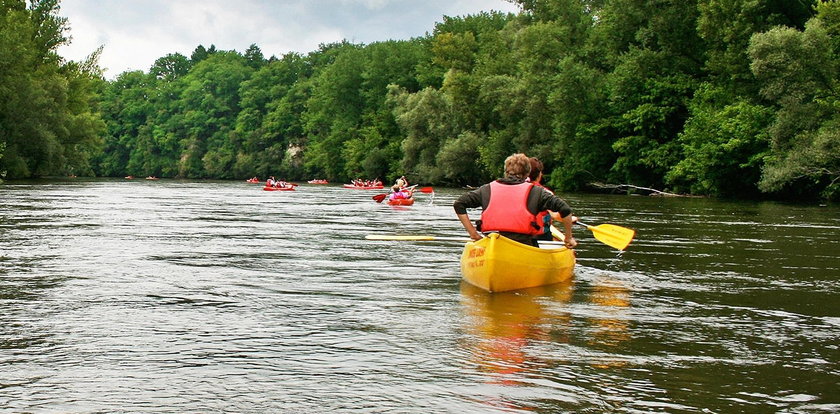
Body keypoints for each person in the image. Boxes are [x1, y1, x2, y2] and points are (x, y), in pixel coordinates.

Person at [453, 153, 577, 248]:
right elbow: (565, 210)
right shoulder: (537, 192)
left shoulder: (486, 189)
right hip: (524, 245)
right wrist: (568, 238)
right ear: (527, 173)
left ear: (506, 172)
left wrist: (474, 234)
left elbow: (459, 204)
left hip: (492, 243)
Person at [528, 157, 554, 242]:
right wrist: (570, 219)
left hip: (520, 237)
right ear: (539, 174)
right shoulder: (546, 193)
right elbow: (556, 215)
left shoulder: (514, 190)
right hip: (541, 237)